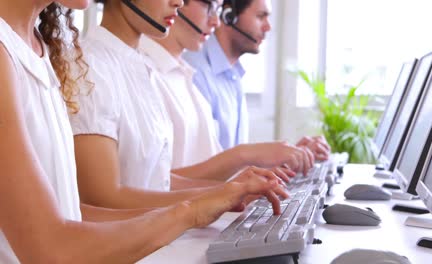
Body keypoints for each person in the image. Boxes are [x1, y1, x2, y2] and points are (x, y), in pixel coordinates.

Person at [0, 0, 287, 262]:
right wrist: (190, 211)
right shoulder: (16, 55)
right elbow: (51, 248)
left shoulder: (42, 49)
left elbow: (73, 212)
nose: (181, 2)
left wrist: (212, 200)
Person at [70, 0, 294, 210]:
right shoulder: (89, 66)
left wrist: (233, 189)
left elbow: (158, 182)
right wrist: (214, 198)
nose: (178, 2)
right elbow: (102, 198)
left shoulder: (140, 65)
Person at [138, 0, 314, 188]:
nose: (216, 21)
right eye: (210, 6)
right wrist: (245, 158)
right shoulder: (153, 73)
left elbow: (214, 166)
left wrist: (276, 161)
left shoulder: (185, 73)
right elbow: (152, 184)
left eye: (218, 9)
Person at [183, 0, 331, 160]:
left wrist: (290, 156)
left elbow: (233, 166)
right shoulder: (194, 71)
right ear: (228, 16)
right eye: (261, 16)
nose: (268, 27)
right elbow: (204, 169)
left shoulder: (233, 75)